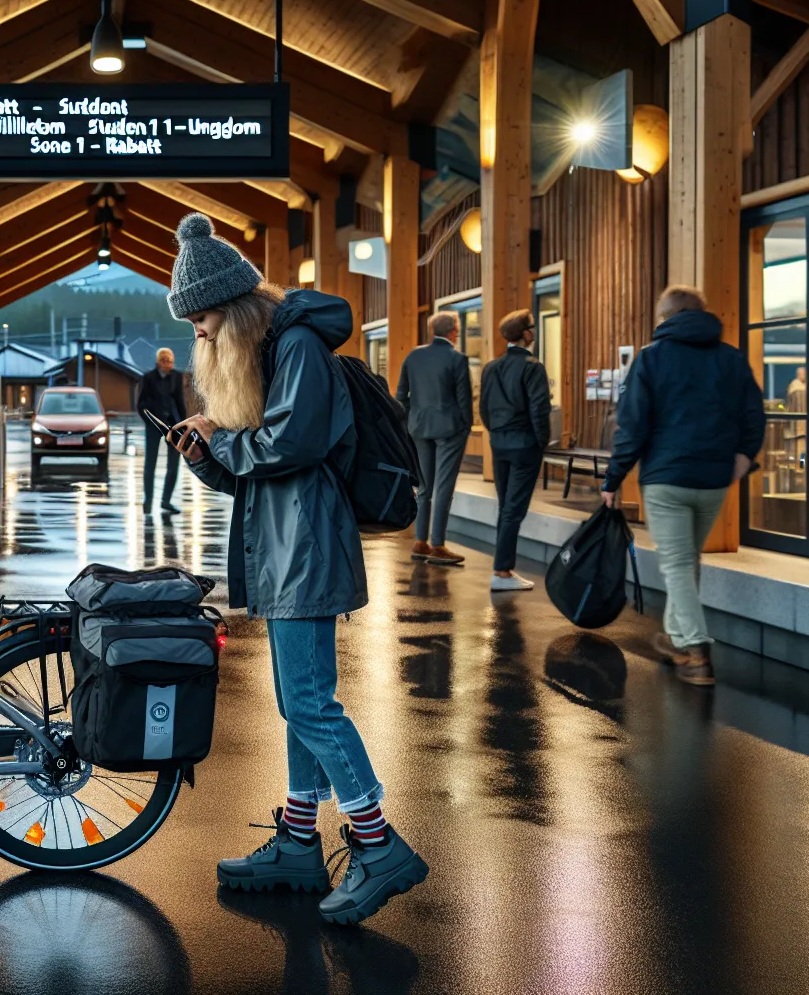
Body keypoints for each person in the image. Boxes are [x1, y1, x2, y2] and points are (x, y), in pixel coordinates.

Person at [164, 211, 427, 926]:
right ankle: (300, 840)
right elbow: (259, 470)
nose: (201, 336)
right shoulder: (274, 353)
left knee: (310, 702)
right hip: (284, 546)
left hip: (307, 546)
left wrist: (224, 438)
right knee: (296, 703)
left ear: (235, 309)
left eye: (203, 321)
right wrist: (207, 456)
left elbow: (293, 444)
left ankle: (378, 845)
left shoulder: (299, 345)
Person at [602, 285, 764, 687]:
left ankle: (697, 652)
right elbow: (754, 415)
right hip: (713, 479)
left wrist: (613, 478)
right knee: (687, 560)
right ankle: (676, 637)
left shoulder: (651, 358)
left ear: (665, 318)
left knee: (677, 564)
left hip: (666, 478)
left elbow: (632, 425)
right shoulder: (730, 358)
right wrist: (742, 459)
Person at [477, 310, 551, 591]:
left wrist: (496, 432)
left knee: (505, 506)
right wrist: (542, 441)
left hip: (499, 443)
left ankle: (503, 569)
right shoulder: (533, 367)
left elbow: (483, 409)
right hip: (525, 445)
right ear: (526, 333)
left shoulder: (491, 367)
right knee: (514, 510)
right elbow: (539, 409)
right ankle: (502, 572)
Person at [395, 311, 472, 566]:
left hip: (419, 428)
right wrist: (466, 426)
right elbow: (464, 399)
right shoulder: (457, 359)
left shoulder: (414, 356)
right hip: (450, 429)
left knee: (425, 487)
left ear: (432, 331)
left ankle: (420, 542)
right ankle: (438, 545)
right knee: (444, 488)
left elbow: (401, 396)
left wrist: (411, 421)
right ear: (454, 331)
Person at [137, 346, 188, 513]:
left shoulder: (176, 377)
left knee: (173, 464)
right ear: (159, 362)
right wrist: (148, 421)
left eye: (171, 361)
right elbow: (141, 404)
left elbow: (180, 402)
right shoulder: (148, 378)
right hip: (153, 425)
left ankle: (166, 501)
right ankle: (148, 501)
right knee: (150, 464)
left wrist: (183, 425)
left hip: (172, 426)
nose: (169, 364)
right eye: (165, 361)